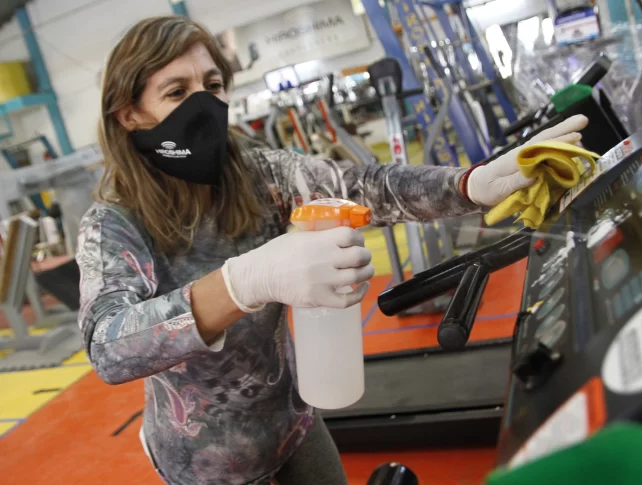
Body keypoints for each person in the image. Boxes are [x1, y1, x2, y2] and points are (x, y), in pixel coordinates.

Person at [77, 15, 588, 485]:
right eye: (176, 91)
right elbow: (108, 347)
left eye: (212, 85)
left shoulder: (256, 174)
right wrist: (243, 283)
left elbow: (363, 185)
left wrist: (470, 184)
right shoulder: (115, 221)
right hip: (207, 463)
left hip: (294, 426)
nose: (204, 103)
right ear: (130, 114)